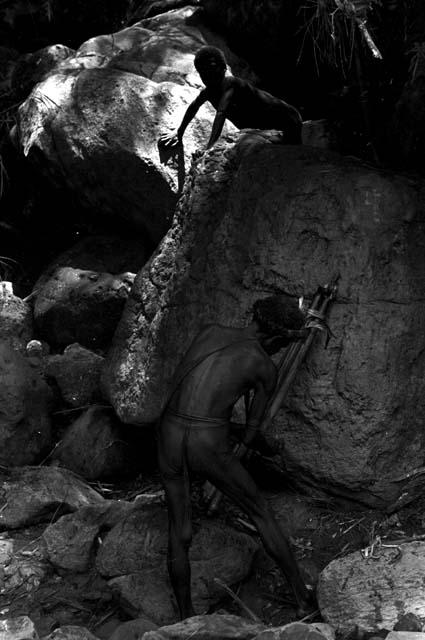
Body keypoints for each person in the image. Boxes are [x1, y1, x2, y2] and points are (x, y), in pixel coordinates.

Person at [157, 295, 316, 620]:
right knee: (261, 514)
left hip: (168, 432)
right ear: (275, 338)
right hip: (208, 444)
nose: (278, 352)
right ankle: (303, 598)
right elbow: (250, 436)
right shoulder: (262, 365)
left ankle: (186, 618)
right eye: (280, 346)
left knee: (179, 529)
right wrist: (272, 449)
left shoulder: (208, 331)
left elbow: (189, 397)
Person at [159, 45, 302, 150]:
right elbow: (193, 107)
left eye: (212, 70)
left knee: (290, 151)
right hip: (266, 127)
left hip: (288, 119)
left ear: (224, 69)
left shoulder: (230, 83)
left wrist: (210, 148)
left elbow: (221, 113)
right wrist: (178, 133)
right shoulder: (208, 92)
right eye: (203, 73)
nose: (208, 76)